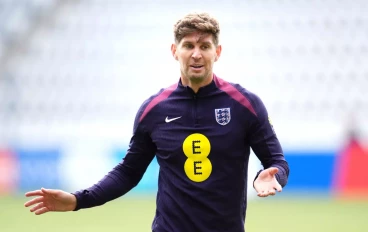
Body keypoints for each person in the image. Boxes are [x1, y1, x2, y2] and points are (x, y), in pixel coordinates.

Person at [24, 12, 290, 232]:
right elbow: (128, 172)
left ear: (217, 52)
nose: (196, 54)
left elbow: (277, 162)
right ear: (175, 51)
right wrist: (77, 200)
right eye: (188, 45)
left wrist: (268, 176)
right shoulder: (154, 109)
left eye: (205, 46)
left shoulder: (245, 104)